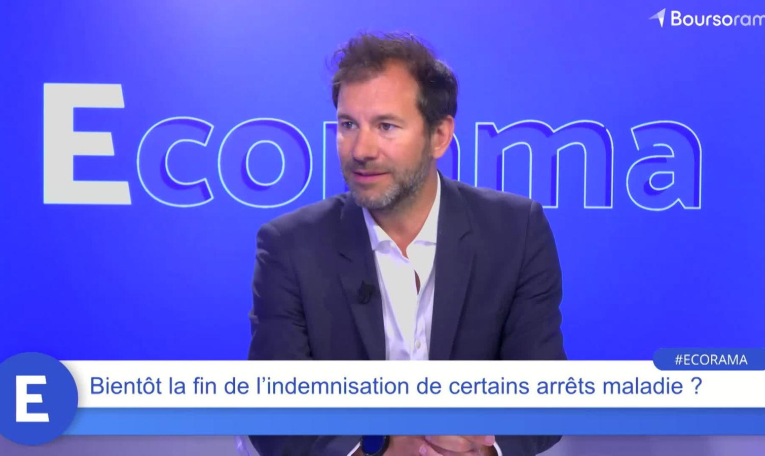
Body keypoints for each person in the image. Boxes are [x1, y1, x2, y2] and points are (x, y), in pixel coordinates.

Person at [248, 32, 565, 456]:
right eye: (348, 125)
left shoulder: (516, 232)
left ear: (439, 136)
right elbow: (272, 412)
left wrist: (483, 448)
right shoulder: (289, 246)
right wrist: (375, 450)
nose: (361, 149)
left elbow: (546, 397)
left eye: (386, 126)